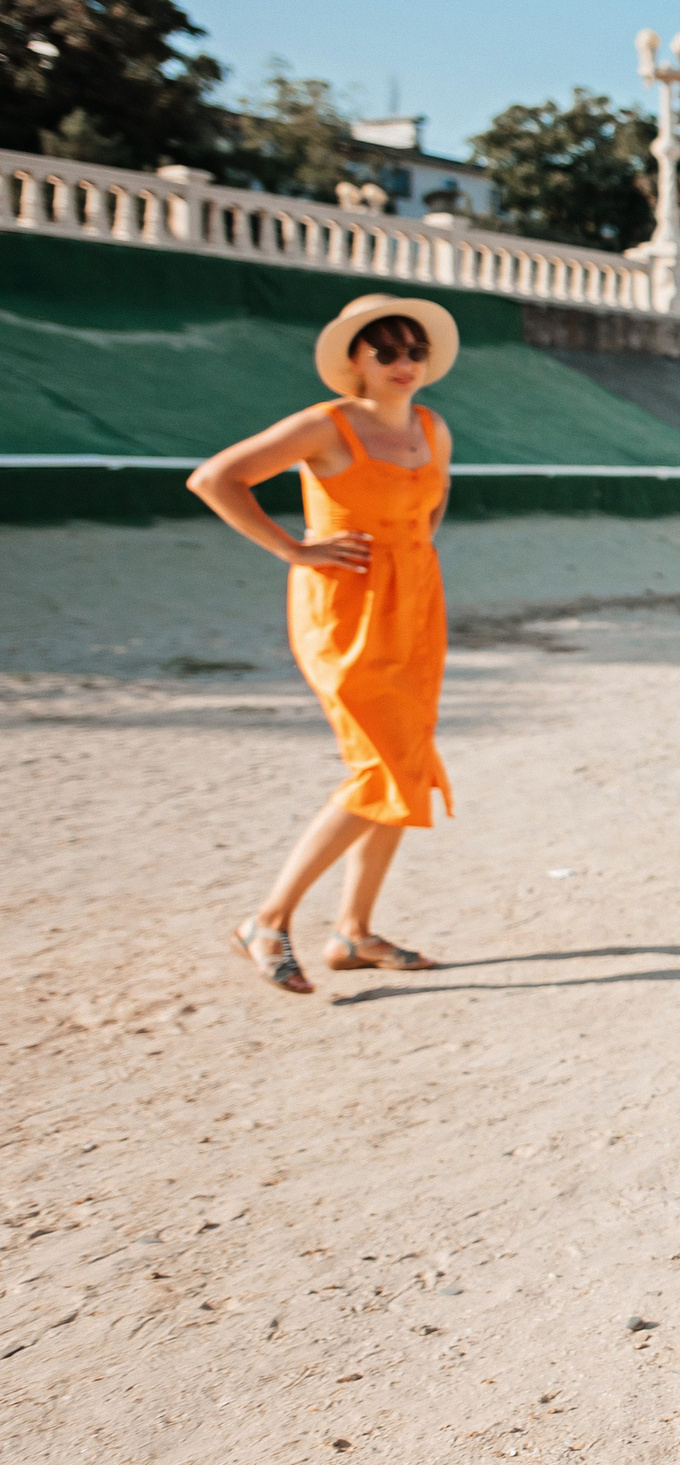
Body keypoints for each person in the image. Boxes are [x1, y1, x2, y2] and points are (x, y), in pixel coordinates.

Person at [188, 293, 460, 994]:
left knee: (406, 759)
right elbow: (215, 479)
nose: (405, 363)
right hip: (344, 610)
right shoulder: (326, 425)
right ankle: (268, 921)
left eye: (415, 351)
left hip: (416, 605)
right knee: (378, 768)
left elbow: (433, 505)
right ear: (357, 361)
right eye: (388, 351)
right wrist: (293, 550)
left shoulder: (433, 426)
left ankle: (354, 933)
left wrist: (411, 561)